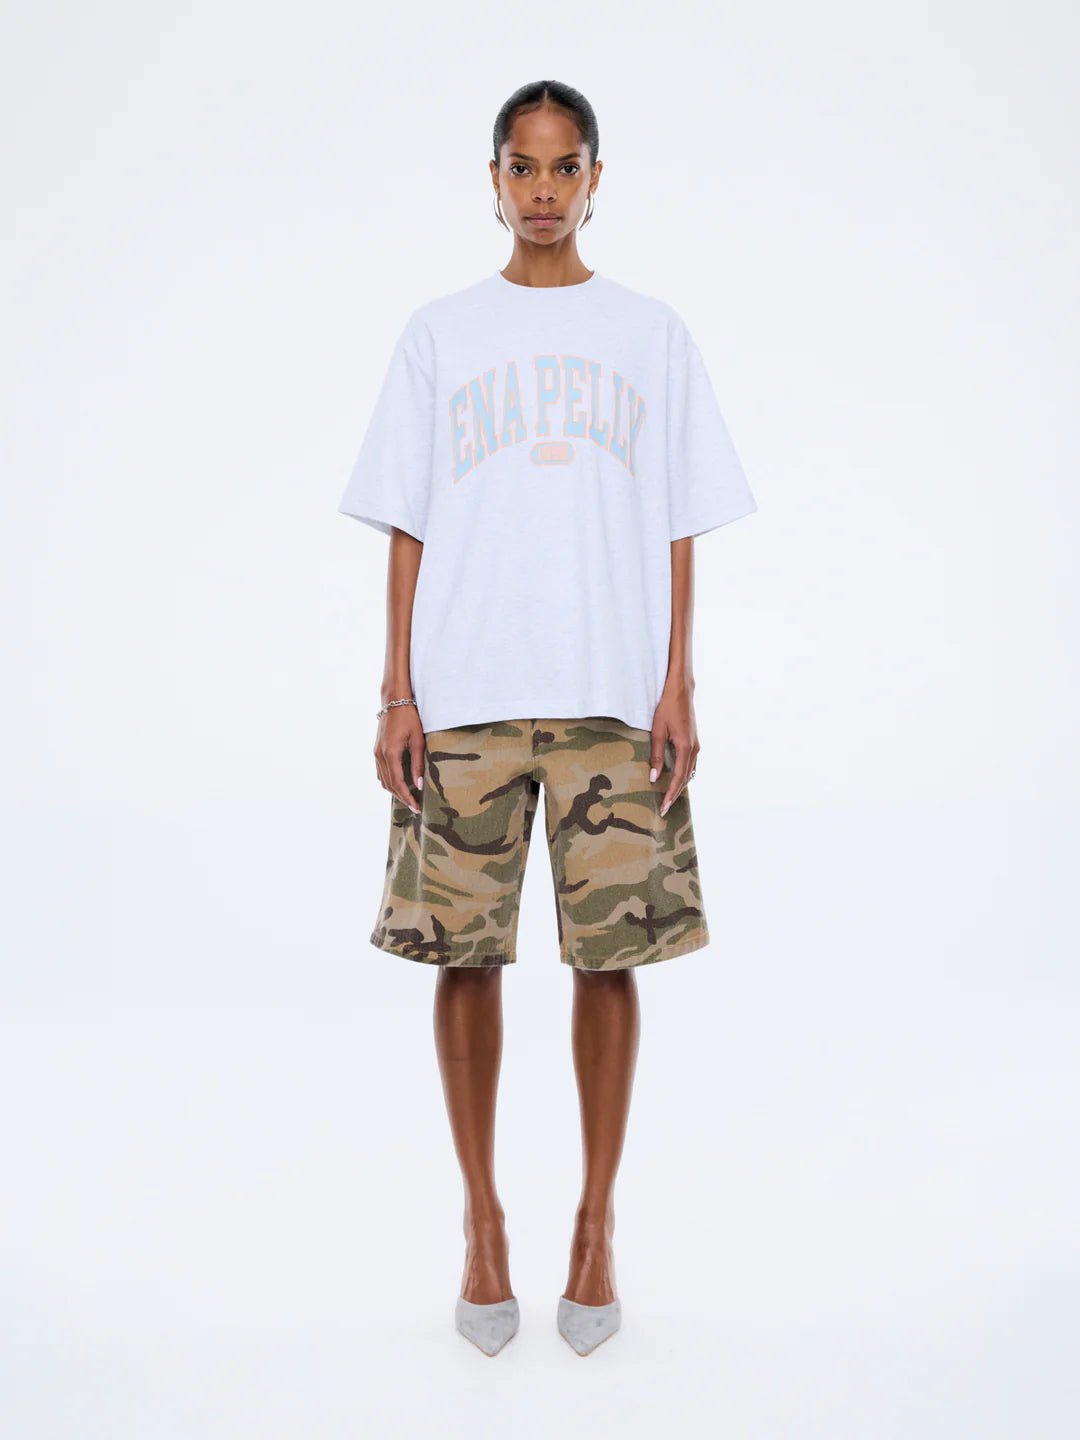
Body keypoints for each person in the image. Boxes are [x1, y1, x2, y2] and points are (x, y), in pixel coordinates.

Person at [337, 79, 757, 1356]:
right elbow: (405, 521)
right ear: (493, 178)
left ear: (594, 179)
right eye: (521, 166)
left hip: (608, 695)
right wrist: (397, 689)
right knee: (461, 958)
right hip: (464, 694)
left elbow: (680, 520)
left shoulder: (649, 333)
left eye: (563, 167)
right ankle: (482, 1224)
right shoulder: (441, 334)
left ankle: (594, 1225)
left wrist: (678, 680)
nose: (541, 189)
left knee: (608, 961)